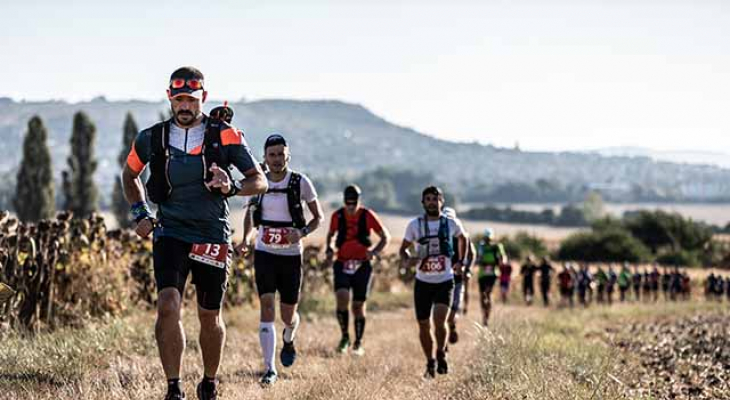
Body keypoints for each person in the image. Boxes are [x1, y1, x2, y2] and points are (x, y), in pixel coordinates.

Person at [122, 66, 268, 400]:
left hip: (211, 235)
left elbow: (258, 179)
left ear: (203, 97)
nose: (185, 106)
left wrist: (230, 187)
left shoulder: (225, 134)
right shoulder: (151, 137)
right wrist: (139, 212)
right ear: (170, 98)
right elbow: (129, 176)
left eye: (191, 99)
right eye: (179, 99)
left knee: (208, 315)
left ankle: (210, 381)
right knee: (168, 305)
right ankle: (173, 388)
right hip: (170, 232)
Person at [238, 134, 324, 386]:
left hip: (290, 256)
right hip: (265, 253)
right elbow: (250, 216)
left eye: (280, 154)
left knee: (288, 316)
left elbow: (318, 217)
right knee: (266, 308)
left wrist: (302, 232)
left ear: (288, 156)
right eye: (271, 155)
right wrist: (246, 238)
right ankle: (269, 368)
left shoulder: (301, 182)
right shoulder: (257, 183)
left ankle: (288, 338)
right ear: (264, 157)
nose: (276, 159)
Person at [399, 186, 466, 378]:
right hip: (423, 282)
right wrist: (408, 259)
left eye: (434, 199)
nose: (431, 202)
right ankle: (430, 360)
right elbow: (403, 249)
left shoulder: (450, 223)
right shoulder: (414, 225)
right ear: (422, 202)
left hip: (444, 280)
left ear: (441, 201)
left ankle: (441, 352)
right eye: (427, 199)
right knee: (423, 325)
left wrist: (460, 261)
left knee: (439, 320)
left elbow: (463, 239)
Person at [324, 185, 391, 355]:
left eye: (354, 203)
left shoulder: (367, 215)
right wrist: (329, 248)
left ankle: (358, 343)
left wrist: (375, 251)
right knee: (342, 297)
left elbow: (385, 236)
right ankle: (345, 337)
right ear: (344, 201)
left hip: (362, 265)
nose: (351, 206)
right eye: (348, 203)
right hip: (342, 263)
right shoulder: (337, 215)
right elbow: (330, 235)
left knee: (358, 306)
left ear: (359, 201)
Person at [442, 207, 476, 345]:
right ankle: (443, 344)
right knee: (441, 311)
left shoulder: (463, 235)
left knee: (452, 311)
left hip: (458, 278)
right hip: (442, 277)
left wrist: (467, 268)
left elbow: (472, 254)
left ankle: (452, 325)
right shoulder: (440, 235)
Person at [476, 228, 507, 326]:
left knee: (488, 294)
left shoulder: (497, 246)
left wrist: (502, 262)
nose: (487, 240)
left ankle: (487, 316)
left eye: (489, 238)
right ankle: (484, 314)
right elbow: (477, 257)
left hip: (493, 274)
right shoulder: (480, 246)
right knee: (482, 296)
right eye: (486, 238)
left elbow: (503, 257)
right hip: (482, 274)